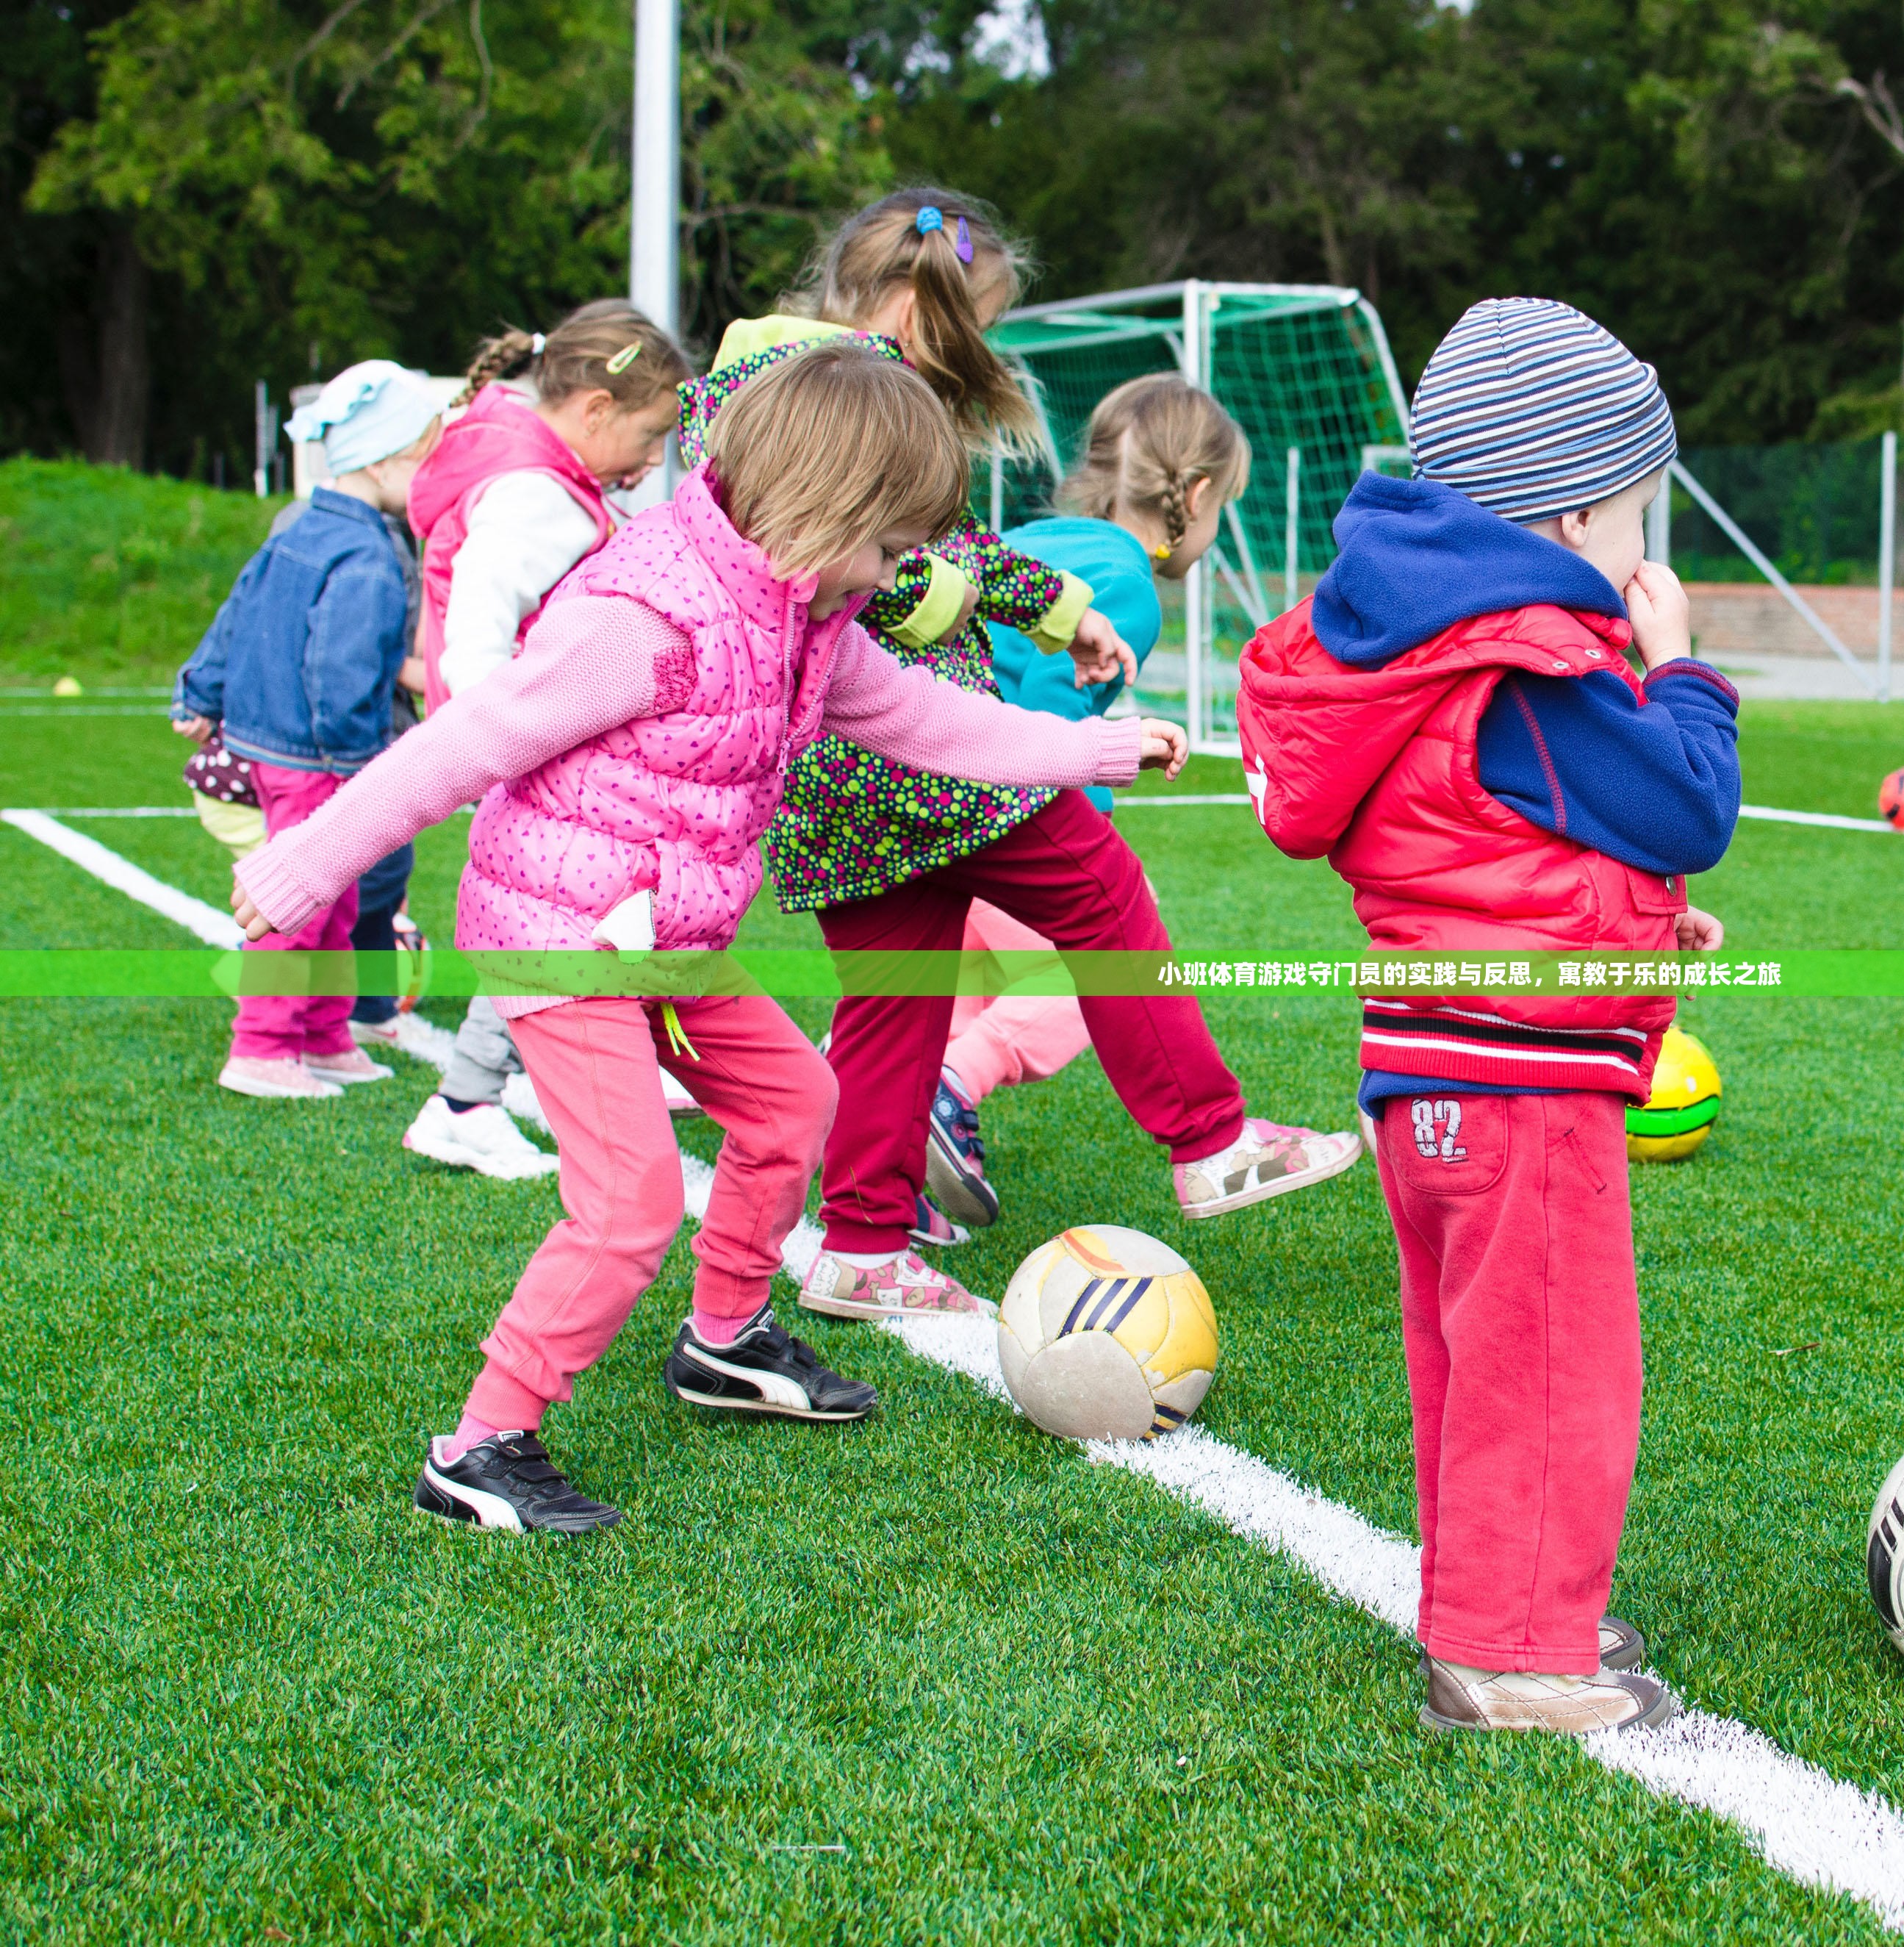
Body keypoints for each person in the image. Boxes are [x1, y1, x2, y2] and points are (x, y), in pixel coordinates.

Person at [227, 342, 1190, 1535]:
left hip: (668, 938)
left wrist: (1095, 748)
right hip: (564, 937)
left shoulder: (809, 612)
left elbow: (930, 721)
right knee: (629, 1200)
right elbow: (465, 742)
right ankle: (479, 1445)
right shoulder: (643, 615)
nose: (903, 575)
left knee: (797, 1099)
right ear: (826, 508)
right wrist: (304, 860)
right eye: (894, 547)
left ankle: (725, 1339)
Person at [679, 190, 1355, 1324]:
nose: (973, 356)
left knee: (897, 1000)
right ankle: (1210, 1139)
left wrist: (1061, 611)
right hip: (919, 753)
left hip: (834, 779)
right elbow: (867, 567)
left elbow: (944, 542)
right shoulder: (828, 394)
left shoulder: (767, 380)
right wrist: (961, 611)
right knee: (1102, 890)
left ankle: (861, 1244)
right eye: (968, 327)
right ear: (907, 303)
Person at [1238, 298, 1742, 1735]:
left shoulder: (1417, 645)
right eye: (1638, 513)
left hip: (1430, 1066)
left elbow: (1488, 841)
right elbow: (1685, 802)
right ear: (1574, 509)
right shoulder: (1528, 658)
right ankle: (1511, 1650)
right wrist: (1683, 667)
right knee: (1550, 1359)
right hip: (1518, 1083)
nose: (1644, 550)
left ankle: (1499, 1597)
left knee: (1473, 1358)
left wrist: (1634, 921)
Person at [919, 373, 1246, 1233]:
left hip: (915, 798)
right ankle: (949, 1090)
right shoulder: (1125, 587)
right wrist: (1083, 845)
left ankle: (881, 1133)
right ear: (1197, 495)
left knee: (943, 991)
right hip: (990, 810)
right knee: (1072, 983)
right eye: (1226, 506)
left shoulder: (1030, 539)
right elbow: (1045, 724)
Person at [397, 300, 696, 1181]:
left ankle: (490, 1090)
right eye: (648, 438)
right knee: (572, 921)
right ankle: (465, 1099)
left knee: (585, 916)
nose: (651, 466)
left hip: (533, 744)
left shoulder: (539, 473)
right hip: (533, 751)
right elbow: (480, 635)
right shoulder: (537, 498)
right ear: (595, 412)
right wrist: (510, 741)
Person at [173, 361, 442, 1101]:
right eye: (427, 457)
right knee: (300, 901)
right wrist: (360, 764)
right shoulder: (367, 553)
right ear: (386, 460)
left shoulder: (303, 525)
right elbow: (341, 666)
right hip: (318, 756)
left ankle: (323, 1035)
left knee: (340, 898)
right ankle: (261, 1047)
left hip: (281, 744)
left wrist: (200, 689)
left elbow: (237, 608)